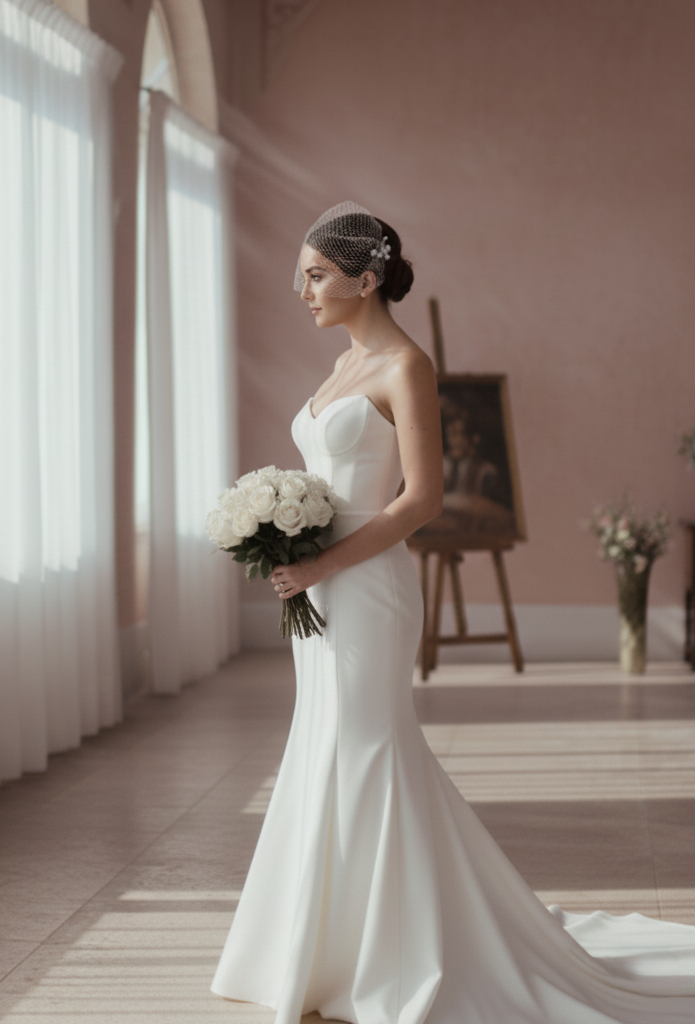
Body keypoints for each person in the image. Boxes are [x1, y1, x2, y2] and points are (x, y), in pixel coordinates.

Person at [210, 202, 695, 1024]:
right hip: (319, 587)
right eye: (302, 275)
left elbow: (422, 499)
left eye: (318, 276)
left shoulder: (406, 365)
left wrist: (322, 560)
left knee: (367, 748)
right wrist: (283, 537)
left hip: (366, 588)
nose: (303, 290)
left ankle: (390, 957)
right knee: (324, 744)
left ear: (367, 279)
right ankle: (321, 953)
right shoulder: (340, 366)